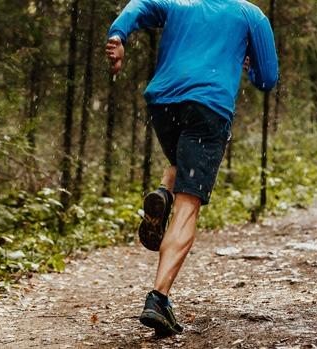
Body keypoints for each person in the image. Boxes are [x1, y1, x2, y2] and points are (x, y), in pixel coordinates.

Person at [105, 0, 278, 337]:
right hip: (207, 106)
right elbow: (268, 78)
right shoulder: (249, 14)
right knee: (189, 203)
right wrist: (249, 66)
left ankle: (161, 192)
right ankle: (159, 299)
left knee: (180, 166)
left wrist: (118, 35)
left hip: (163, 103)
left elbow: (139, 5)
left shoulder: (178, 2)